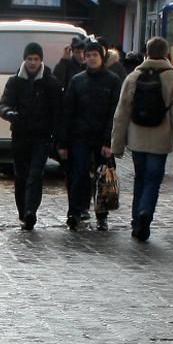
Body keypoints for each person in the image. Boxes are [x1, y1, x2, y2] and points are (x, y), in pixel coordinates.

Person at [108, 36, 173, 243]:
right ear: (166, 54)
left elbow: (122, 112)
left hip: (137, 137)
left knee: (140, 178)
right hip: (160, 139)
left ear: (146, 52)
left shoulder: (133, 77)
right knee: (153, 179)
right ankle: (145, 213)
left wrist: (117, 144)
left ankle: (136, 221)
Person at [0, 41, 61, 231]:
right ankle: (22, 211)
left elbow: (58, 110)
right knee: (21, 176)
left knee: (35, 175)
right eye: (30, 59)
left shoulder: (50, 82)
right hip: (20, 135)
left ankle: (31, 210)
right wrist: (9, 113)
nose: (32, 63)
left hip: (41, 137)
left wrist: (55, 135)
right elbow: (3, 104)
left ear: (41, 60)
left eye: (36, 59)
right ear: (24, 60)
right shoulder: (15, 81)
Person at [60, 42, 124, 230]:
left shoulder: (112, 80)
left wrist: (108, 141)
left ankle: (102, 214)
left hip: (102, 137)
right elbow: (68, 111)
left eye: (95, 55)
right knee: (77, 175)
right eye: (88, 55)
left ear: (101, 57)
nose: (91, 58)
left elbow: (115, 113)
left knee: (103, 177)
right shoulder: (77, 81)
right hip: (79, 136)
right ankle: (75, 211)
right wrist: (63, 142)